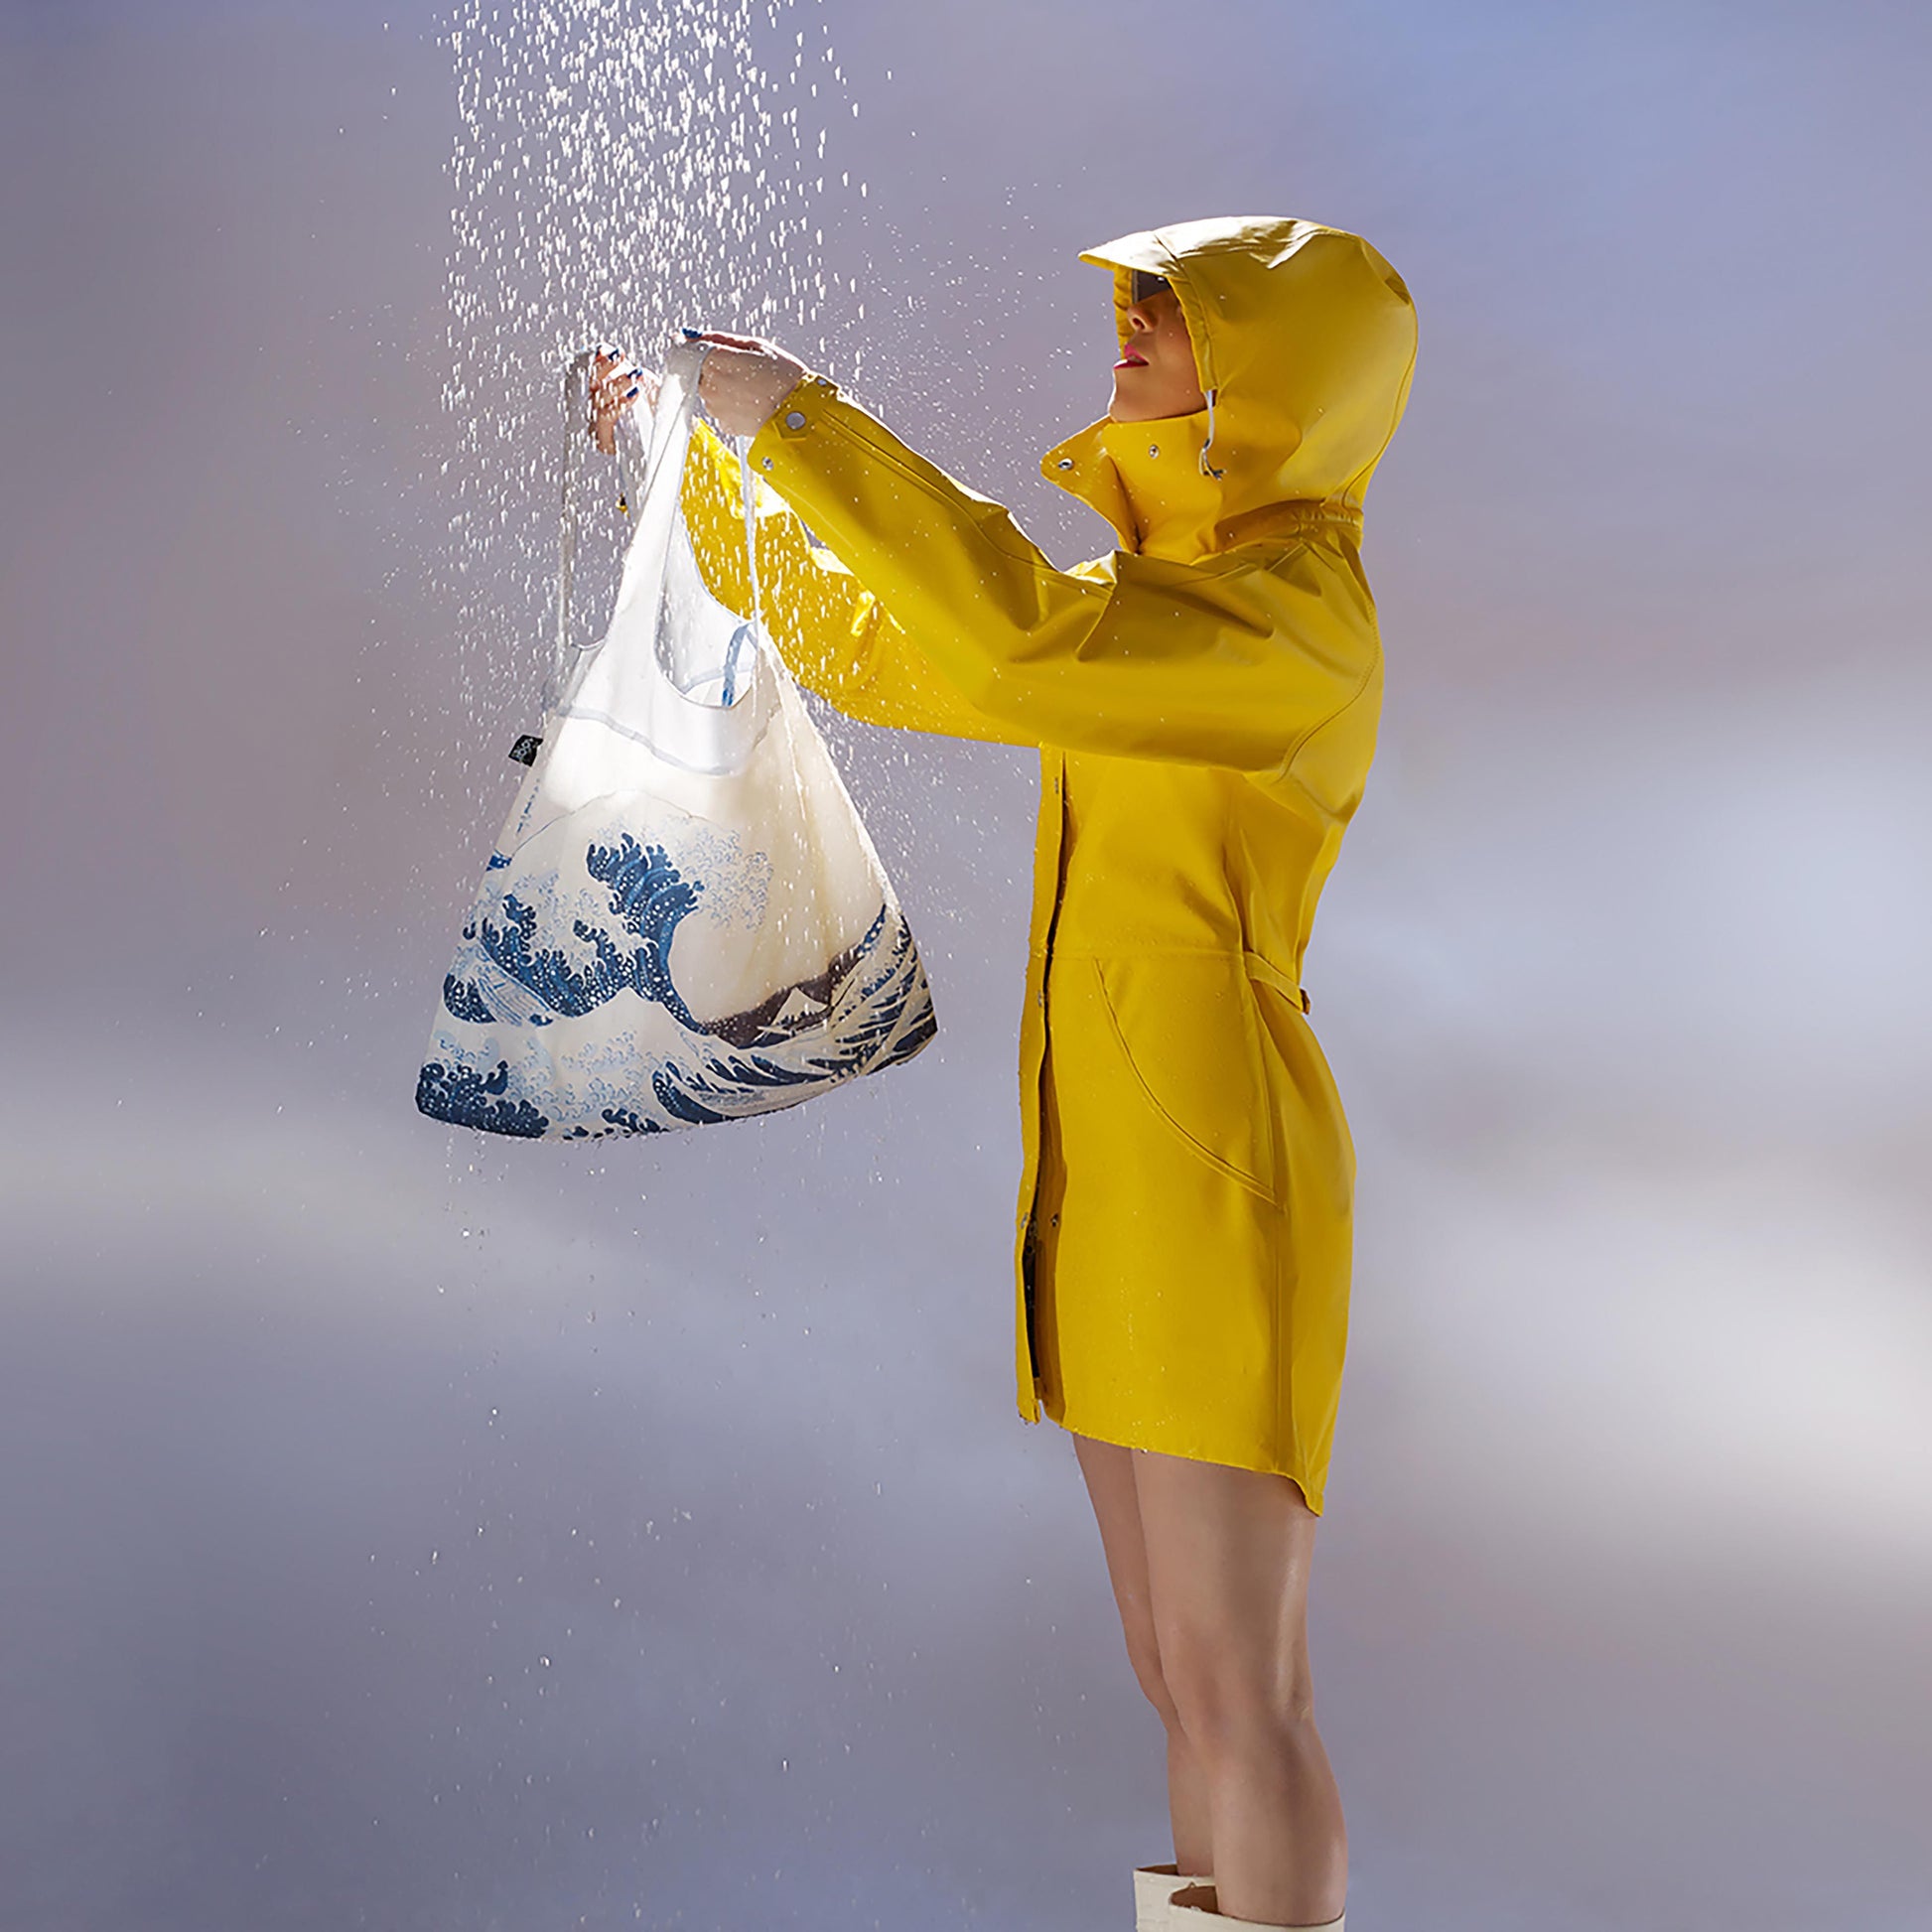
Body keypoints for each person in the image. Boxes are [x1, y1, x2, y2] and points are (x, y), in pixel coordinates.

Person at [590, 215, 1417, 1932]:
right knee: (1173, 1670)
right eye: (1129, 300)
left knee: (1235, 1678)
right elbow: (900, 653)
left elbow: (1003, 643)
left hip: (1208, 1159)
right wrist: (688, 495)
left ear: (1279, 376)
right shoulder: (1168, 601)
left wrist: (803, 425)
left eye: (1172, 312)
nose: (1127, 327)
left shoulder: (1294, 619)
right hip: (1109, 1150)